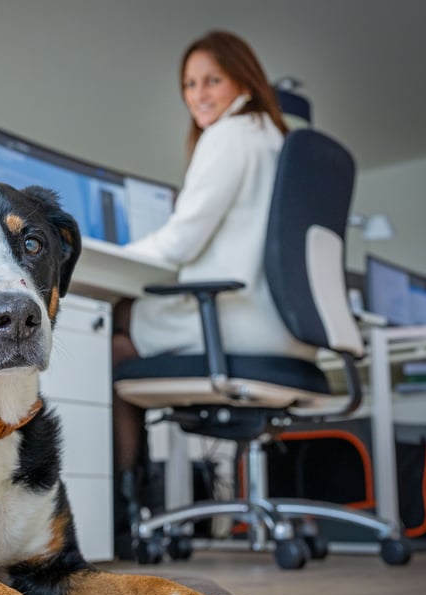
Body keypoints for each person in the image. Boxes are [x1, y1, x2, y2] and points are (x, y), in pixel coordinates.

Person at [112, 30, 315, 554]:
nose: (199, 94)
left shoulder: (230, 135)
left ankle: (126, 512)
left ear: (243, 79)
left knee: (109, 333)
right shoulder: (275, 136)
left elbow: (182, 237)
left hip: (233, 321)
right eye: (189, 84)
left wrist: (110, 254)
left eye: (212, 80)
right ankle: (136, 506)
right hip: (284, 331)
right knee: (124, 323)